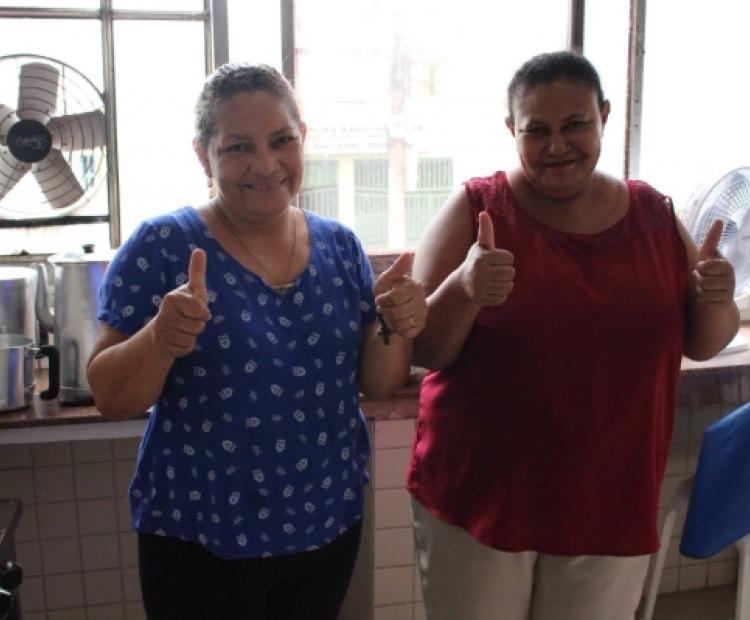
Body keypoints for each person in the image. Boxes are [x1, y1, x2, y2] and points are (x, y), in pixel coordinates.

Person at [406, 50, 740, 620]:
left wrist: (716, 297)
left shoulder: (653, 216)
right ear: (512, 130)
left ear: (603, 117)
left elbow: (704, 343)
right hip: (484, 492)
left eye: (575, 125)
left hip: (610, 496)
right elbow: (425, 349)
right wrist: (465, 288)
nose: (557, 145)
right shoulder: (477, 209)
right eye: (537, 130)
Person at [86, 62, 426, 620]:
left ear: (303, 138)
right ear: (204, 155)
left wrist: (396, 323)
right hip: (200, 536)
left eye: (281, 140)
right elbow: (110, 396)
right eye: (238, 147)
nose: (265, 165)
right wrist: (159, 339)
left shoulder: (340, 246)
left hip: (325, 523)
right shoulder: (163, 244)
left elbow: (378, 384)